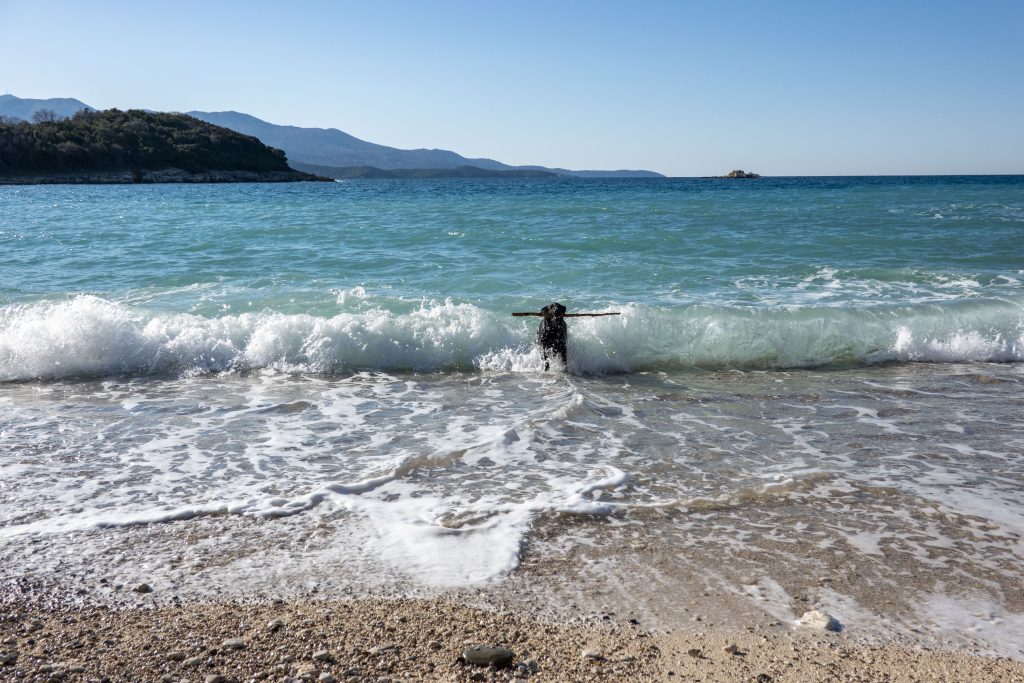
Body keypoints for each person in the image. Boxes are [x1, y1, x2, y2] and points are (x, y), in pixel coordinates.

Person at [536, 302, 568, 370]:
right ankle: (545, 367)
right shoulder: (544, 324)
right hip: (546, 331)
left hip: (559, 331)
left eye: (557, 307)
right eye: (551, 307)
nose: (555, 309)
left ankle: (564, 369)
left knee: (562, 348)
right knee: (543, 348)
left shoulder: (562, 325)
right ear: (546, 312)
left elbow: (563, 350)